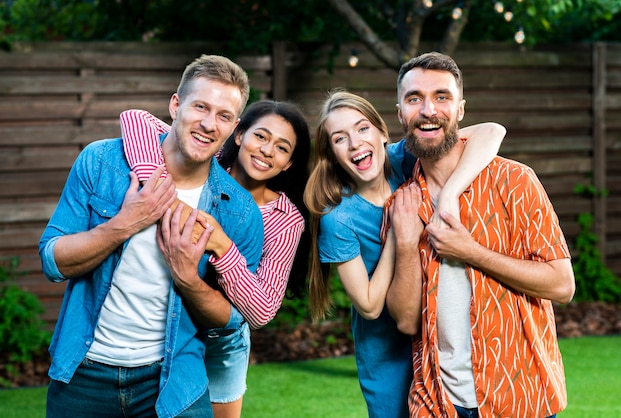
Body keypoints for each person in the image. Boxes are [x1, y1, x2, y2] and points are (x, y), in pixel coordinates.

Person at [39, 54, 264, 418]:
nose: (209, 124)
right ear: (175, 105)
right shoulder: (102, 162)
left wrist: (188, 279)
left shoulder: (238, 210)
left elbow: (230, 318)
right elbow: (53, 261)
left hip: (174, 379)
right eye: (200, 107)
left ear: (234, 127)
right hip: (83, 373)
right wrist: (125, 223)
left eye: (223, 116)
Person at [387, 51, 576, 418]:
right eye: (415, 99)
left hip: (521, 396)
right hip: (436, 402)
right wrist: (408, 243)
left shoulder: (515, 182)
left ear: (460, 110)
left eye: (442, 97)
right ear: (400, 114)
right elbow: (407, 321)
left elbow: (561, 285)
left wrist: (472, 252)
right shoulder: (402, 204)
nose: (428, 110)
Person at [304, 90, 505, 418]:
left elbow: (492, 132)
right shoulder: (338, 217)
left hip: (439, 345)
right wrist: (399, 233)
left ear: (383, 133)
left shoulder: (403, 159)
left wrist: (451, 193)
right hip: (388, 357)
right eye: (340, 139)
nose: (355, 143)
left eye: (363, 129)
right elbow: (368, 306)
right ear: (331, 154)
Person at [118, 100, 311, 418]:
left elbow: (262, 311)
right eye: (260, 136)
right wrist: (154, 186)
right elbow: (135, 117)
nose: (266, 150)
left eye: (281, 147)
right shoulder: (203, 163)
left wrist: (222, 246)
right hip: (164, 322)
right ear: (238, 134)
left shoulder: (284, 218)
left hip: (221, 340)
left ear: (289, 163)